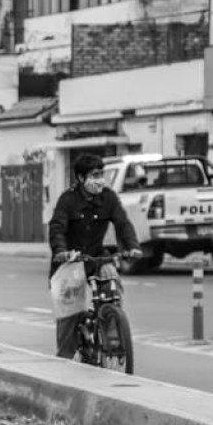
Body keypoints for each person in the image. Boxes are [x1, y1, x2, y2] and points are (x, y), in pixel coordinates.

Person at [48, 153, 142, 359]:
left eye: (102, 174)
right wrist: (62, 252)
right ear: (81, 178)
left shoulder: (108, 197)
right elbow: (57, 229)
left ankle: (114, 340)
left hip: (97, 257)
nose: (100, 179)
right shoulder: (68, 200)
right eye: (94, 175)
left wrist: (132, 247)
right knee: (70, 314)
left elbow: (122, 223)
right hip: (71, 261)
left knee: (112, 289)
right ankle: (63, 358)